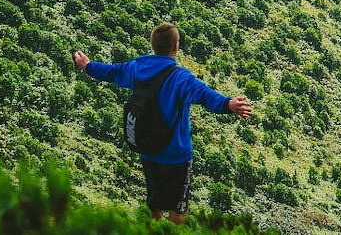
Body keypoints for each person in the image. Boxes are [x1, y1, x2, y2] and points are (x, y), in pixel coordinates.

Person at [72, 22, 253, 225]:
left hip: (148, 149)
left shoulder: (137, 67)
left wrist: (87, 66)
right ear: (176, 47)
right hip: (176, 155)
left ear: (153, 45)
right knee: (178, 210)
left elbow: (112, 72)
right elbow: (203, 94)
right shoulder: (180, 77)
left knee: (154, 204)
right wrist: (228, 104)